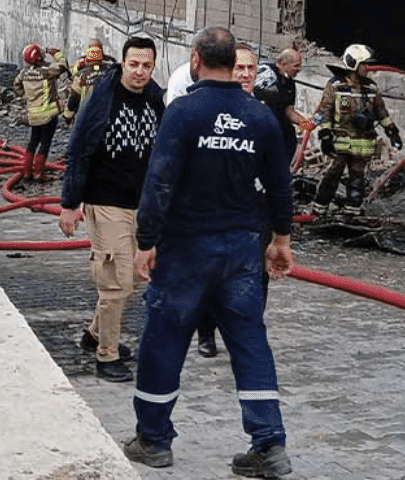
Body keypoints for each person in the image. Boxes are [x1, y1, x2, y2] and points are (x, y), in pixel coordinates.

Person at [122, 27, 296, 478]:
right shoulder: (260, 119)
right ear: (232, 63)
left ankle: (153, 440)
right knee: (249, 341)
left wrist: (146, 242)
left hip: (185, 251)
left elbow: (160, 182)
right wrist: (281, 241)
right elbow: (280, 186)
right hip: (240, 251)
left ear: (196, 60)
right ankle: (269, 445)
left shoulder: (183, 113)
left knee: (163, 338)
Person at [57, 37, 163, 383]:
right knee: (115, 283)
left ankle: (94, 334)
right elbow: (79, 149)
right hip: (105, 203)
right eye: (134, 64)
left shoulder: (154, 100)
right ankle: (107, 356)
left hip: (140, 205)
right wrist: (70, 204)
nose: (140, 72)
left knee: (132, 276)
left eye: (146, 65)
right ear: (123, 63)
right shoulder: (103, 98)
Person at [194, 41, 263, 359]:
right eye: (240, 67)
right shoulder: (207, 110)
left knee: (256, 276)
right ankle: (206, 332)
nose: (246, 74)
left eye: (251, 68)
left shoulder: (265, 113)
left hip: (256, 209)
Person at [308, 44, 402, 216]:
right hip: (340, 139)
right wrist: (325, 135)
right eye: (364, 64)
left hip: (362, 140)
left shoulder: (371, 88)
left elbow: (381, 112)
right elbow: (325, 111)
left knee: (358, 176)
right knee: (333, 173)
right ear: (354, 64)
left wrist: (393, 131)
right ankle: (319, 208)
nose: (368, 68)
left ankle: (352, 210)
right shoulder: (336, 86)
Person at [12, 43, 69, 180]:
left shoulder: (23, 73)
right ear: (38, 58)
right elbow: (63, 65)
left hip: (33, 115)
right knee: (45, 143)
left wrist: (26, 97)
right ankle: (38, 173)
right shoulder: (47, 71)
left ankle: (26, 172)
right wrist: (56, 54)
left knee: (33, 142)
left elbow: (16, 86)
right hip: (48, 115)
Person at [253, 48, 308, 152]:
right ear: (284, 63)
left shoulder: (290, 84)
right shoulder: (266, 72)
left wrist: (306, 124)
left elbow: (288, 111)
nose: (299, 69)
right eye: (296, 65)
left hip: (280, 131)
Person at [65, 37, 118, 117]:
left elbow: (74, 93)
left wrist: (68, 114)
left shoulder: (109, 64)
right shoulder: (111, 65)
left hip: (86, 111)